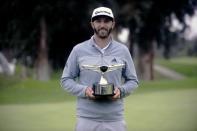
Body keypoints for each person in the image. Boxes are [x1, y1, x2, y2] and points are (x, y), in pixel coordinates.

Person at [61, 6, 139, 131]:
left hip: (115, 119)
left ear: (113, 24)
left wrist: (121, 91)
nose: (102, 25)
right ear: (92, 24)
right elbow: (66, 80)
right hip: (86, 119)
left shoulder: (123, 50)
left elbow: (133, 81)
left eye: (106, 21)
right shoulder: (78, 50)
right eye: (98, 21)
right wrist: (85, 90)